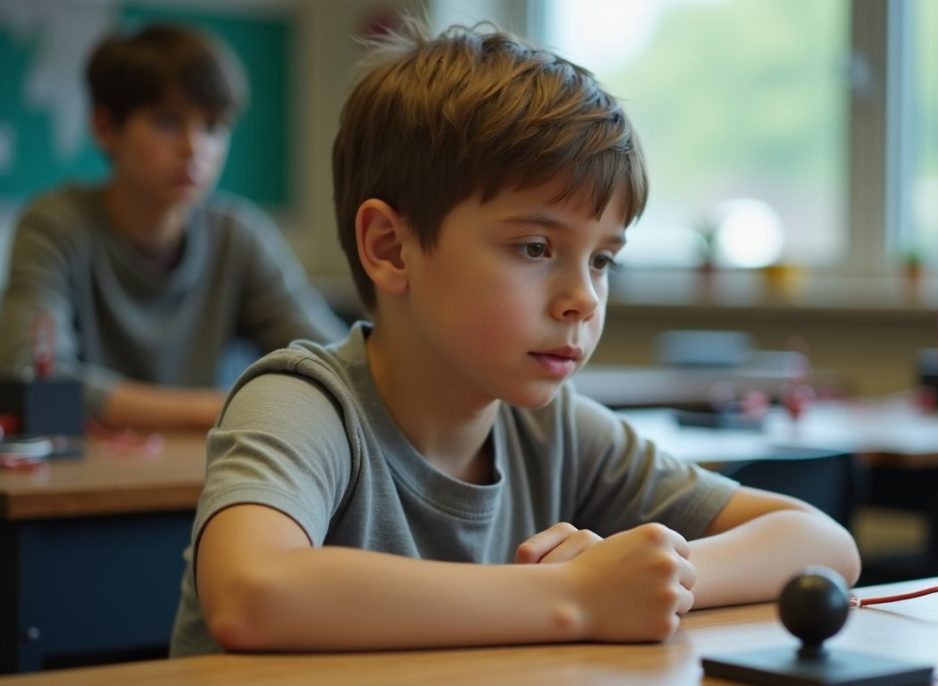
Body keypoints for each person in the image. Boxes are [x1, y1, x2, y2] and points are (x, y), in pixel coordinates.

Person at [170, 18, 860, 656]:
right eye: (534, 248)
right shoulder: (303, 404)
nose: (583, 299)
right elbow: (251, 594)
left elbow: (823, 544)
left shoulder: (553, 430)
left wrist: (661, 578)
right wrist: (577, 597)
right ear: (391, 248)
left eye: (602, 260)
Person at [0, 24, 346, 431]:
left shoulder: (237, 234)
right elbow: (34, 380)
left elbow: (335, 362)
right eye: (167, 121)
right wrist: (223, 409)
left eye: (213, 127)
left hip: (204, 478)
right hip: (88, 482)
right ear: (105, 127)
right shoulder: (55, 225)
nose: (194, 148)